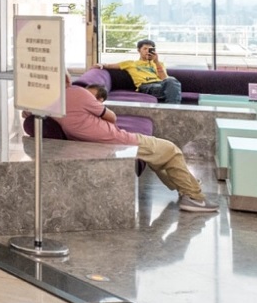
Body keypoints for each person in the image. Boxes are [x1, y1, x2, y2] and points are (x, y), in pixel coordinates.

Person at [59, 83, 216, 212]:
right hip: (119, 141)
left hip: (107, 141)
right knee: (171, 150)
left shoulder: (55, 101)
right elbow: (112, 117)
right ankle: (194, 197)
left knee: (158, 157)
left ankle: (186, 186)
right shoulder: (78, 93)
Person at [106, 38, 181, 103]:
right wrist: (101, 65)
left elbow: (164, 78)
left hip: (161, 85)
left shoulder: (158, 63)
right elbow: (109, 65)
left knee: (171, 81)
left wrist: (156, 62)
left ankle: (171, 108)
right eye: (145, 49)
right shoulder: (130, 63)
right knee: (172, 90)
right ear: (139, 50)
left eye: (150, 49)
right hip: (146, 86)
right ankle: (174, 109)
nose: (147, 51)